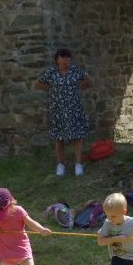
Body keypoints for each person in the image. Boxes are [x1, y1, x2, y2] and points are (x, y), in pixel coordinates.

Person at [34, 48, 92, 177]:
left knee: (77, 136)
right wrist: (51, 90)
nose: (66, 59)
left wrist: (77, 87)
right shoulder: (51, 72)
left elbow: (88, 80)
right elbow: (38, 83)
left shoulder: (75, 70)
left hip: (74, 108)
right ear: (57, 59)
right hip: (57, 109)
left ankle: (78, 164)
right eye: (63, 57)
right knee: (59, 137)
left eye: (68, 57)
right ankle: (60, 165)